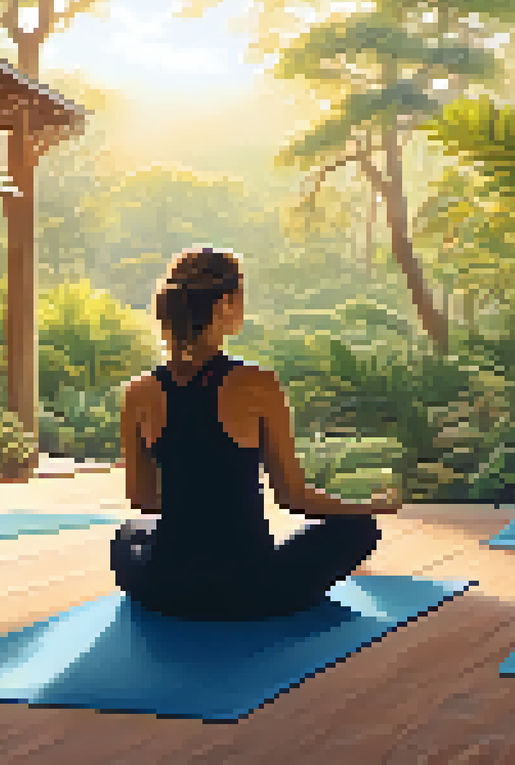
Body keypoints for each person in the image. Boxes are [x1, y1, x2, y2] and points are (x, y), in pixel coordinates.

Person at [110, 247, 400, 621]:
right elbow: (295, 498)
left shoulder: (138, 392)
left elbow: (144, 500)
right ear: (226, 304)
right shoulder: (257, 384)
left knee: (128, 535)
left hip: (166, 586)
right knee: (359, 529)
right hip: (251, 588)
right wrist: (372, 504)